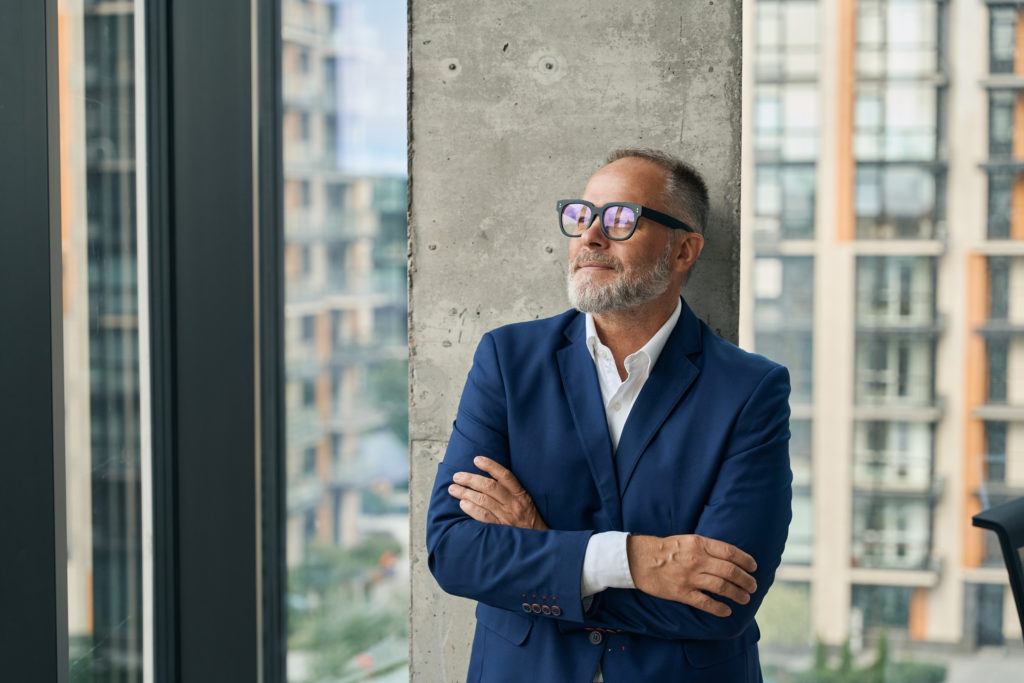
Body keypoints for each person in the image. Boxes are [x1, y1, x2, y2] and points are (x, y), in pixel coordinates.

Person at [425, 148, 792, 682]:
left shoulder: (750, 390)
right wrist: (633, 561)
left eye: (621, 218)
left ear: (684, 249)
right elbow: (454, 550)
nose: (590, 236)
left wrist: (540, 543)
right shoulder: (508, 360)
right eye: (581, 215)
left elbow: (720, 603)